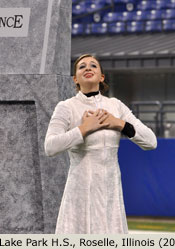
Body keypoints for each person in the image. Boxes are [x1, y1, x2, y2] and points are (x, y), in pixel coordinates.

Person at [44, 54, 157, 234]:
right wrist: (84, 129)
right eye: (82, 67)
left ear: (101, 76)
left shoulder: (116, 106)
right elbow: (50, 147)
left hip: (110, 193)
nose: (88, 68)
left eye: (93, 65)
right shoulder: (66, 107)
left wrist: (119, 124)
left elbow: (151, 141)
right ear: (75, 79)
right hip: (80, 192)